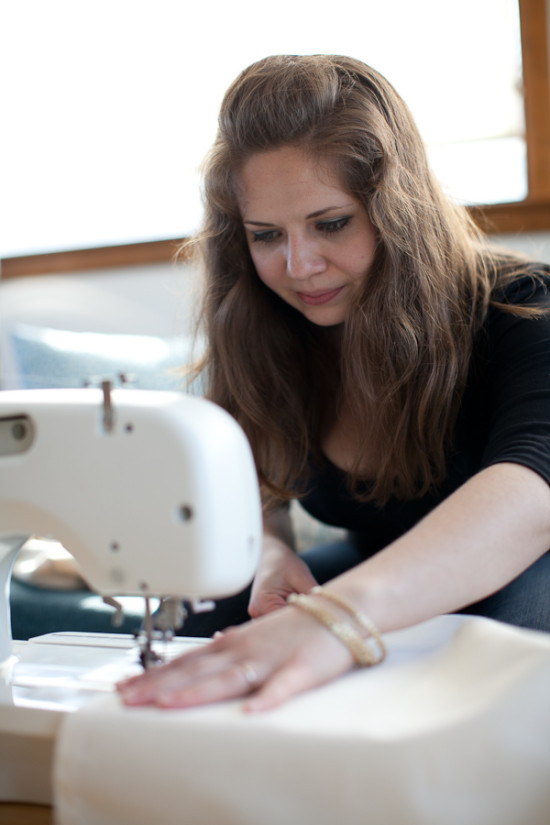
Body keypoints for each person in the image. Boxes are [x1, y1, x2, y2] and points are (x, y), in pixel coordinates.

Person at [118, 54, 550, 712]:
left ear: (397, 209)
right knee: (218, 616)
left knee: (507, 638)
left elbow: (532, 492)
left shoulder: (526, 307)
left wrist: (337, 617)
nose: (299, 267)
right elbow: (250, 481)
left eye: (331, 223)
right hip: (384, 573)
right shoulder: (269, 328)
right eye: (266, 235)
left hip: (529, 568)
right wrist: (268, 551)